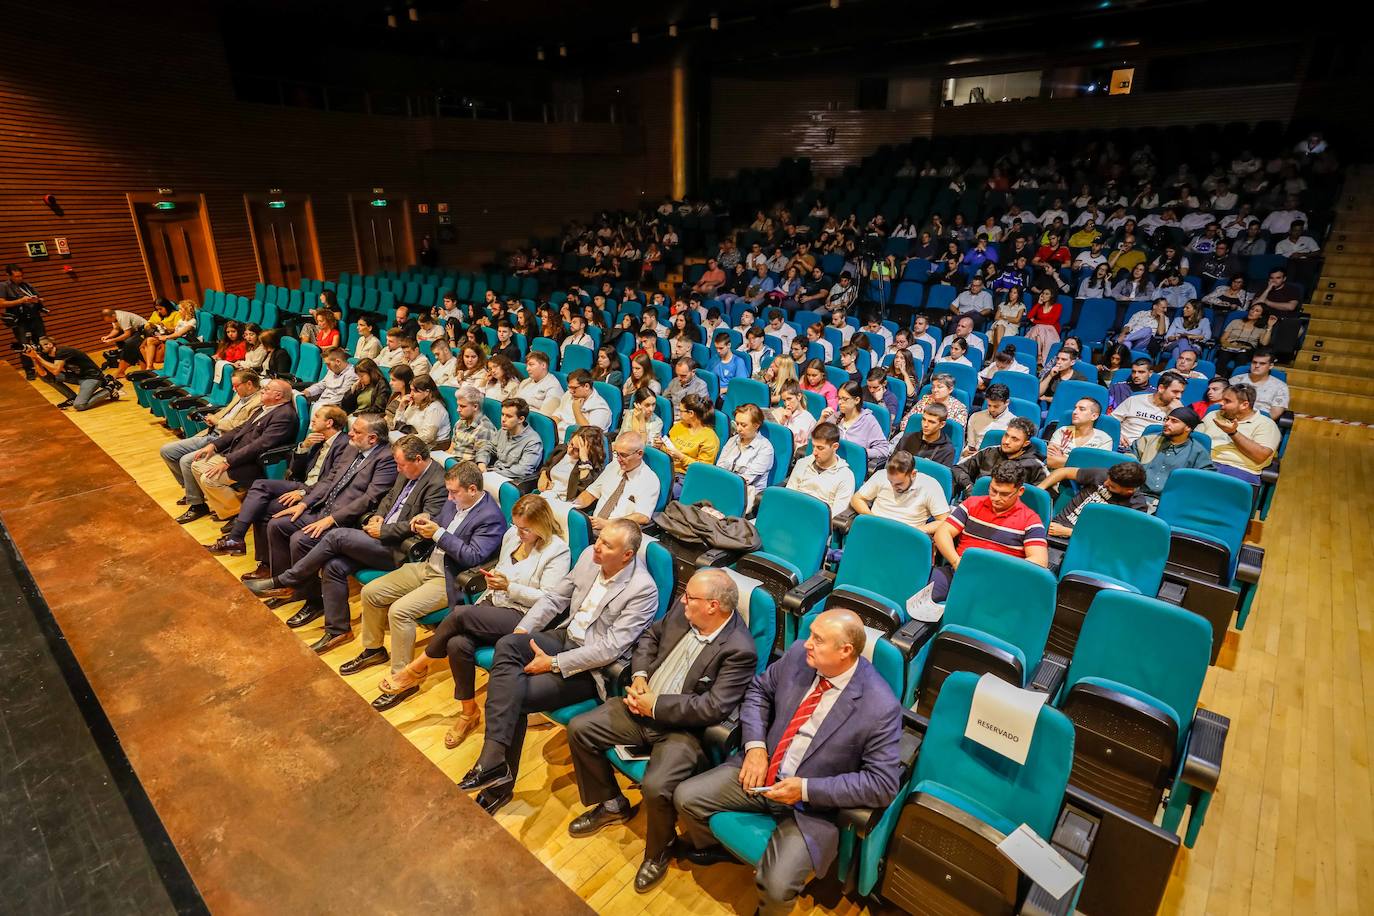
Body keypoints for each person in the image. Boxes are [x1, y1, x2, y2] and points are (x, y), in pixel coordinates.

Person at [673, 608, 902, 916]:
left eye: (818, 639)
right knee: (686, 798)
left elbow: (882, 784)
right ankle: (717, 848)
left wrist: (805, 790)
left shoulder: (880, 706)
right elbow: (758, 691)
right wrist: (755, 747)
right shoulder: (799, 655)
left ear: (845, 651)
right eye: (810, 634)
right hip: (763, 771)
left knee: (777, 887)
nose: (806, 642)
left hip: (810, 807)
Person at [564, 568, 757, 892]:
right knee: (580, 727)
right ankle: (612, 803)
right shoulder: (684, 613)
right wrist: (639, 676)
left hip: (682, 730)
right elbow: (650, 638)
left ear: (713, 606)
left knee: (656, 785)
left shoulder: (739, 650)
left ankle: (659, 851)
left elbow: (713, 708)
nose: (682, 600)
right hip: (640, 706)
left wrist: (655, 706)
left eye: (690, 597)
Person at [457, 519, 658, 813]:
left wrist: (553, 663)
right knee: (508, 645)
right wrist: (523, 631)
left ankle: (497, 775)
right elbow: (555, 598)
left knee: (516, 696)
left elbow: (609, 648)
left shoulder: (643, 590)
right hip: (565, 635)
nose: (596, 547)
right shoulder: (591, 558)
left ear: (627, 555)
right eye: (599, 539)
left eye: (607, 545)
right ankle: (494, 760)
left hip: (590, 667)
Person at [372, 494, 571, 747]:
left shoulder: (557, 551)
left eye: (526, 529)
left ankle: (416, 668)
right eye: (516, 525)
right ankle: (468, 713)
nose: (519, 532)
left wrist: (509, 587)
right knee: (457, 644)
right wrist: (495, 583)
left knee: (459, 614)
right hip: (494, 604)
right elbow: (500, 570)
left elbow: (548, 600)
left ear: (541, 524)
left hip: (523, 617)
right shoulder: (512, 536)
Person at [241, 435, 447, 651]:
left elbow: (422, 525)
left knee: (335, 537)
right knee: (334, 566)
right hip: (376, 537)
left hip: (399, 550)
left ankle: (287, 580)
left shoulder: (437, 483)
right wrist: (377, 516)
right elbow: (389, 499)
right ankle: (338, 631)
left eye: (401, 464)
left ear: (418, 459)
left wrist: (383, 529)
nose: (397, 469)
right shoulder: (407, 471)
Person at [349, 460, 507, 705]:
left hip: (450, 577)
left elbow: (473, 556)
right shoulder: (455, 500)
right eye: (448, 491)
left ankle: (403, 678)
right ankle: (373, 650)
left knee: (400, 611)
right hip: (428, 565)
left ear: (473, 489)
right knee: (371, 592)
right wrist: (425, 519)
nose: (449, 497)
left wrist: (437, 533)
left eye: (454, 492)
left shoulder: (490, 517)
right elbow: (439, 518)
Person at [250, 413, 398, 588]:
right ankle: (283, 586)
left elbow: (370, 498)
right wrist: (304, 504)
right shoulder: (353, 448)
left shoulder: (386, 458)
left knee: (300, 540)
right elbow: (329, 480)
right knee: (277, 525)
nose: (350, 433)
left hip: (344, 521)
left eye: (356, 431)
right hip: (322, 509)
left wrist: (331, 519)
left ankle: (310, 597)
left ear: (372, 438)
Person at [929, 462, 1049, 602]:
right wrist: (956, 561)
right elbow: (942, 533)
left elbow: (1039, 561)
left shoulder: (1030, 520)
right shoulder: (972, 504)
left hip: (997, 584)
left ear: (1020, 491)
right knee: (922, 594)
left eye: (1004, 494)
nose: (996, 498)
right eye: (993, 490)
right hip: (959, 570)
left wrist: (997, 571)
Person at [184, 379, 299, 520]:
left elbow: (260, 445)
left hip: (255, 463)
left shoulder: (284, 415)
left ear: (278, 395)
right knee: (196, 465)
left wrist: (227, 462)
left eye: (267, 389)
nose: (262, 390)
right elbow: (239, 429)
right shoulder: (263, 408)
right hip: (238, 455)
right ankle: (231, 507)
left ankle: (238, 513)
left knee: (209, 479)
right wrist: (214, 445)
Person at [161, 370, 262, 517]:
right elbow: (227, 411)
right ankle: (194, 490)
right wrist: (213, 417)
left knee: (187, 461)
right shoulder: (240, 394)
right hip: (209, 434)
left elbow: (245, 427)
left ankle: (197, 504)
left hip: (224, 440)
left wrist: (219, 422)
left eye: (236, 386)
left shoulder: (259, 401)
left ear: (249, 384)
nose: (233, 389)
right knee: (167, 451)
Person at [571, 430, 660, 531]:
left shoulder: (649, 480)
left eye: (623, 455)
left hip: (619, 532)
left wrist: (608, 524)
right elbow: (590, 493)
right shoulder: (613, 466)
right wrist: (571, 506)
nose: (618, 459)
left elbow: (642, 516)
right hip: (595, 525)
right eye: (616, 453)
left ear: (639, 454)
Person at [1198, 383, 1280, 485]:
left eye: (1227, 401)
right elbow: (1195, 440)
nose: (1221, 403)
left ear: (1244, 405)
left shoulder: (1266, 424)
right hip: (1202, 463)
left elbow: (1260, 456)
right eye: (1222, 399)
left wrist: (1233, 433)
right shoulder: (1213, 415)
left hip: (1238, 470)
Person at [850, 449, 949, 535]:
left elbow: (944, 520)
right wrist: (870, 517)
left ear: (913, 474)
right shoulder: (881, 475)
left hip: (907, 536)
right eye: (890, 482)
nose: (893, 487)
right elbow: (856, 499)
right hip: (875, 528)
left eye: (899, 484)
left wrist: (916, 531)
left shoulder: (930, 486)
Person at [1038, 462, 1149, 538]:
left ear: (1129, 491)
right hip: (1054, 526)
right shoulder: (1102, 475)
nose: (1105, 484)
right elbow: (1064, 472)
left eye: (1112, 486)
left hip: (1084, 541)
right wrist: (1039, 489)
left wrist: (1070, 533)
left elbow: (1115, 537)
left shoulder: (1136, 506)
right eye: (1107, 480)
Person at [1130, 407, 1214, 507]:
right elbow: (1127, 463)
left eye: (1174, 421)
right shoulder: (1147, 441)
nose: (1166, 423)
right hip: (1135, 495)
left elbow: (1206, 481)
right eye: (1167, 419)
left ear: (1188, 428)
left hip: (1172, 504)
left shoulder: (1198, 452)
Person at [952, 416, 1047, 494]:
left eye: (1015, 439)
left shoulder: (1035, 465)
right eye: (1006, 435)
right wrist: (968, 486)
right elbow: (958, 468)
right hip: (975, 503)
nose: (1006, 441)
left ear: (1025, 444)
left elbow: (1044, 497)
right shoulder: (989, 452)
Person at [28, 335, 117, 411]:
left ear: (50, 345)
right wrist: (34, 358)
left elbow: (55, 370)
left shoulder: (63, 351)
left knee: (79, 405)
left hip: (92, 377)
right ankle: (72, 397)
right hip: (77, 376)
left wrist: (37, 357)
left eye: (41, 346)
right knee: (45, 377)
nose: (39, 348)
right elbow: (42, 373)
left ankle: (110, 388)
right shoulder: (46, 355)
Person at [785, 423, 855, 517]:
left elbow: (837, 513)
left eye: (820, 448)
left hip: (818, 522)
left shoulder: (846, 476)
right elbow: (789, 494)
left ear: (835, 447)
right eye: (813, 446)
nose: (814, 452)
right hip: (793, 513)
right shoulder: (802, 463)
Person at [824, 380, 891, 473]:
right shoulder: (834, 417)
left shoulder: (868, 421)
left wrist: (860, 452)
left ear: (857, 400)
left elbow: (884, 450)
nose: (839, 402)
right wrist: (821, 419)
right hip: (829, 466)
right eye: (839, 398)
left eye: (844, 399)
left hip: (852, 469)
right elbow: (816, 440)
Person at [716, 403, 775, 506]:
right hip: (723, 487)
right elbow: (719, 467)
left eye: (743, 425)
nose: (738, 429)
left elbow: (746, 480)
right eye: (737, 424)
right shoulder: (732, 440)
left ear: (756, 425)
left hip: (745, 496)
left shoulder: (765, 448)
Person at [659, 393, 719, 494]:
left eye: (681, 411)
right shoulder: (679, 426)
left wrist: (681, 457)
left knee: (660, 491)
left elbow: (702, 471)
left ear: (691, 413)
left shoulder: (710, 438)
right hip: (666, 469)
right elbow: (668, 449)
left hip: (685, 477)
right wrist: (660, 446)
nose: (678, 413)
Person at [1112, 372, 1187, 449]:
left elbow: (1182, 436)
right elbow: (1111, 421)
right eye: (1175, 392)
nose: (1179, 396)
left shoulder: (1178, 410)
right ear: (1161, 388)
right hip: (1121, 445)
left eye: (1182, 392)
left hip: (1151, 450)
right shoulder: (1134, 400)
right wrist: (1118, 434)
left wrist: (1178, 412)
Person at [1, 264, 48, 378]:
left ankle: (46, 366)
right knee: (25, 345)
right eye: (16, 276)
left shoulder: (27, 285)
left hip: (34, 318)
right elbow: (1, 303)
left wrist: (36, 300)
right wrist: (20, 301)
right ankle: (30, 371)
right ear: (9, 275)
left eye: (21, 276)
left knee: (42, 343)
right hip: (20, 321)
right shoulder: (4, 286)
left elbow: (40, 298)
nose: (20, 278)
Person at [1047, 398, 1113, 468]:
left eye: (1082, 409)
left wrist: (1062, 458)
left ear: (1094, 416)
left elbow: (1096, 468)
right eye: (1075, 408)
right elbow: (1049, 461)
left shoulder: (1104, 440)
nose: (1074, 412)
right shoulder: (1062, 431)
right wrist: (1083, 462)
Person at [1215, 302, 1276, 377]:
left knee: (1242, 356)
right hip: (1230, 345)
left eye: (1257, 311)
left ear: (1261, 316)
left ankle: (1236, 379)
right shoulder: (1235, 322)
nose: (1252, 312)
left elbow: (1264, 343)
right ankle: (1218, 377)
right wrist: (1231, 345)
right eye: (1252, 309)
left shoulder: (1261, 328)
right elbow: (1223, 339)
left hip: (1247, 349)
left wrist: (1269, 327)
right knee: (1224, 354)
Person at [1229, 349, 1289, 420]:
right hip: (1232, 417)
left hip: (1259, 422)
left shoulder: (1281, 387)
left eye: (1262, 363)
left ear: (1271, 366)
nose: (1257, 366)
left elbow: (1275, 414)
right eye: (1254, 362)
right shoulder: (1236, 380)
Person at [962, 383, 1014, 459]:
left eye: (996, 406)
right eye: (989, 405)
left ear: (1007, 402)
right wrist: (965, 452)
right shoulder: (975, 417)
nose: (992, 409)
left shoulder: (1013, 423)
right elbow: (970, 444)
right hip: (974, 458)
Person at [897, 402, 956, 467]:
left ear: (942, 424)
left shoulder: (946, 450)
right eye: (924, 419)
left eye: (931, 422)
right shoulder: (907, 438)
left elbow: (942, 476)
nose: (925, 425)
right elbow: (892, 464)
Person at [303, 347, 357, 413]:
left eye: (328, 364)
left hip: (333, 408)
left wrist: (321, 406)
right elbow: (321, 385)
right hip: (321, 403)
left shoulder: (352, 375)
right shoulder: (332, 369)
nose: (327, 368)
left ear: (338, 362)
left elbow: (340, 398)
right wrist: (307, 392)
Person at [99, 307, 148, 376]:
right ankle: (123, 370)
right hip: (135, 331)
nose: (110, 322)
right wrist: (108, 336)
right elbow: (116, 329)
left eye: (110, 321)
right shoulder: (114, 316)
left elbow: (127, 334)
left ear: (113, 315)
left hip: (144, 330)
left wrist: (112, 340)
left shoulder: (122, 317)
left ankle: (121, 371)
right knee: (126, 344)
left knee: (129, 343)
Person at [773, 380, 817, 452]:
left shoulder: (808, 419)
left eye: (789, 399)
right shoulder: (781, 413)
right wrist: (783, 421)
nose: (787, 404)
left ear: (799, 396)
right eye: (784, 400)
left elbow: (802, 449)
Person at [516, 349, 564, 414]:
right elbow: (515, 402)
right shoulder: (525, 382)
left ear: (543, 365)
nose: (527, 369)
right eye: (527, 365)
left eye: (531, 365)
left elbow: (545, 417)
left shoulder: (553, 387)